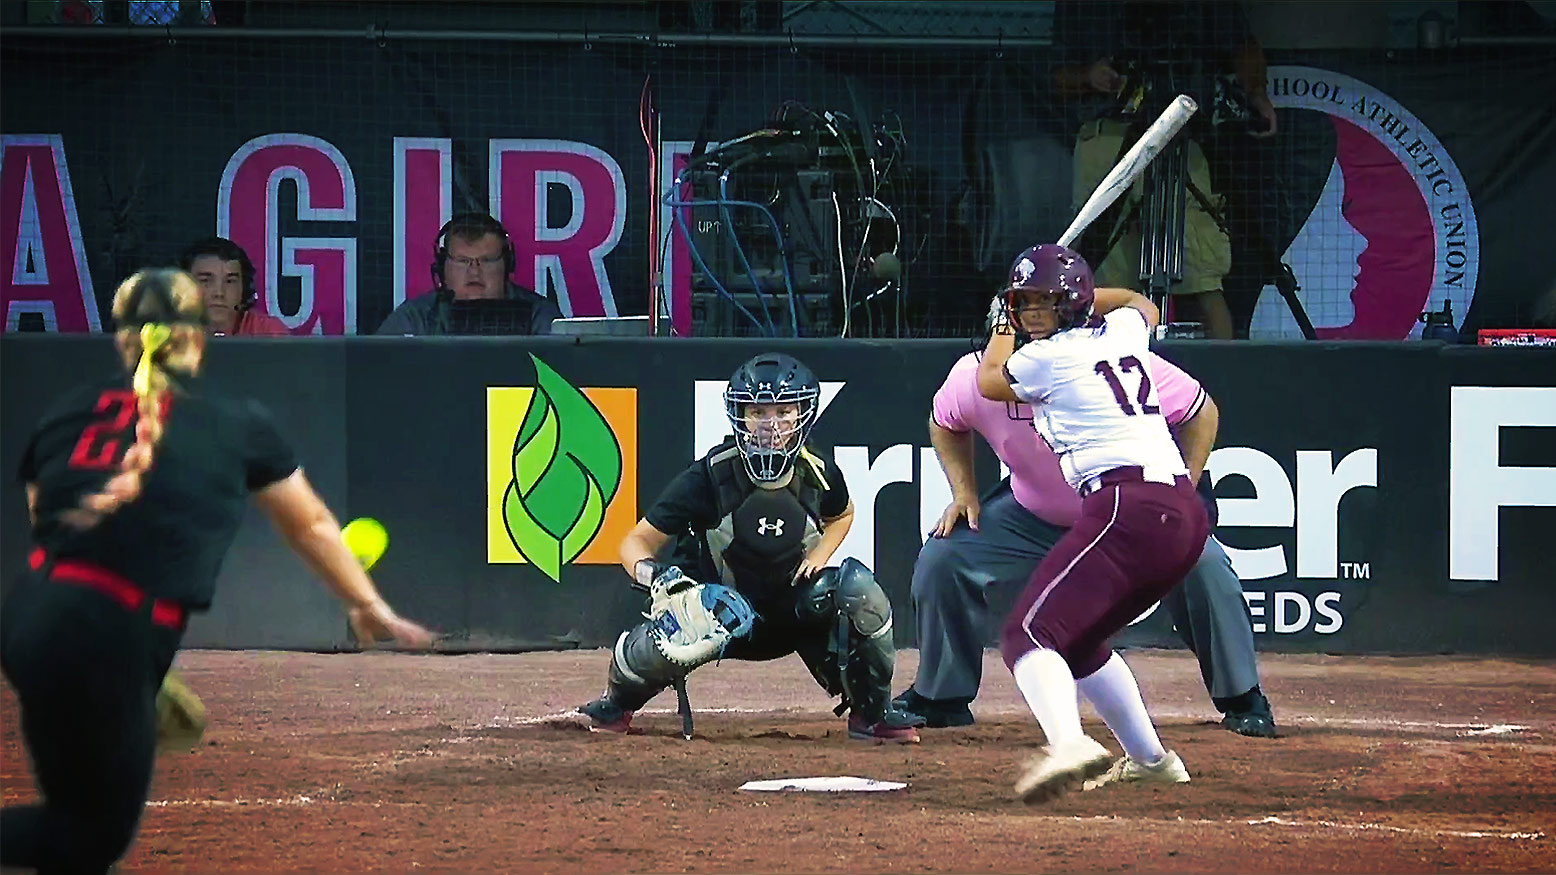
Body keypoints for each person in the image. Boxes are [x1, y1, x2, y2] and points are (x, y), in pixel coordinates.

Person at [1, 268, 434, 873]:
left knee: (68, 820)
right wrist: (369, 605)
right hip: (109, 636)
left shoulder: (66, 412)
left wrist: (134, 672)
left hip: (28, 619)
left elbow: (53, 533)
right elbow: (308, 525)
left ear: (123, 339)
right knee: (84, 839)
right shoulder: (235, 420)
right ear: (199, 338)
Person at [894, 293, 1276, 739]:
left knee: (1206, 568)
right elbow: (945, 420)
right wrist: (964, 492)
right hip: (1031, 516)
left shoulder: (1103, 358)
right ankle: (942, 696)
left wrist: (1185, 483)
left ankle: (1242, 697)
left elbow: (1200, 409)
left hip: (1129, 515)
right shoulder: (974, 375)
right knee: (944, 559)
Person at [578, 352, 923, 743]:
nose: (770, 425)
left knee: (859, 589)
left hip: (793, 612)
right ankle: (617, 701)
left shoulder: (820, 471)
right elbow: (634, 543)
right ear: (739, 416)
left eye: (783, 411)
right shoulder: (710, 475)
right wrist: (659, 579)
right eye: (758, 411)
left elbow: (842, 514)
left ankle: (872, 714)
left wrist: (818, 555)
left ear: (803, 415)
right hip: (719, 617)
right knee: (687, 612)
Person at [973, 244, 1210, 803]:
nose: (1032, 313)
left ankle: (1068, 744)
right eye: (1024, 302)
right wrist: (1058, 300)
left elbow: (988, 380)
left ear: (1072, 304)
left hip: (1127, 504)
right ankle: (1152, 761)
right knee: (1076, 641)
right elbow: (1137, 301)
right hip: (1179, 512)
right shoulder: (1125, 333)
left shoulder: (1043, 359)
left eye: (1044, 303)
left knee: (1026, 635)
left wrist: (1003, 325)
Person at [1052, 0, 1276, 340]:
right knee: (1107, 275)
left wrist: (1257, 95)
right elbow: (1056, 75)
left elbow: (1242, 45)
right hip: (1109, 134)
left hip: (1184, 131)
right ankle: (1114, 378)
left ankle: (1222, 380)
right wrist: (1089, 76)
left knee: (1201, 272)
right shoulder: (1084, 7)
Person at [376, 212, 561, 335]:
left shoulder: (538, 316)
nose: (474, 271)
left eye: (487, 260)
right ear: (442, 268)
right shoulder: (416, 318)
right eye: (463, 261)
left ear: (507, 265)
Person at [178, 237, 290, 336]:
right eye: (206, 281)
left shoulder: (268, 332)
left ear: (244, 288)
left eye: (230, 281)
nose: (219, 293)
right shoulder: (167, 333)